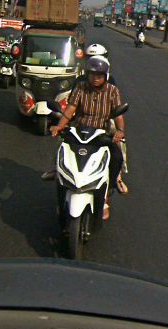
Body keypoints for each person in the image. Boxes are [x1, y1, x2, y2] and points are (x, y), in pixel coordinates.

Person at [48, 57, 126, 220]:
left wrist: (120, 130)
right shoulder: (81, 87)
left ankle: (107, 192)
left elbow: (118, 114)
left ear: (105, 76)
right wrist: (59, 126)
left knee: (117, 156)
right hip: (79, 130)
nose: (95, 78)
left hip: (101, 133)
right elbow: (71, 109)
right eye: (92, 75)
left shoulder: (112, 91)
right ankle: (57, 172)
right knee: (62, 149)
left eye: (99, 75)